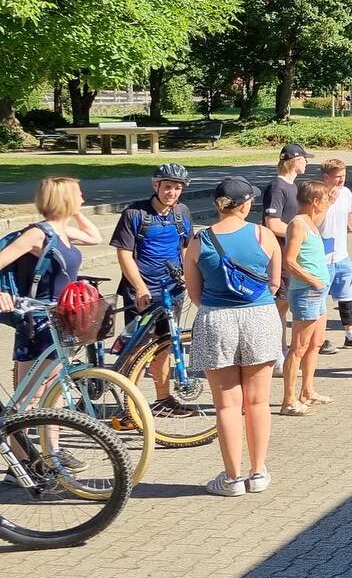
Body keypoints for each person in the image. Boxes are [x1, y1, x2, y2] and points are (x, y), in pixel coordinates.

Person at [181, 177, 283, 497]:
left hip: (216, 319)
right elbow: (275, 283)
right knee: (258, 401)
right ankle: (258, 472)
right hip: (260, 316)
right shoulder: (263, 235)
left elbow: (195, 293)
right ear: (245, 204)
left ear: (218, 205)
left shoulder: (199, 241)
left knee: (227, 405)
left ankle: (232, 477)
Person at [0, 177, 102, 398]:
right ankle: (12, 431)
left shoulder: (63, 232)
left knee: (55, 392)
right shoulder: (37, 234)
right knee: (30, 395)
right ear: (65, 199)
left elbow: (95, 237)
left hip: (62, 317)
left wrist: (75, 212)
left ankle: (49, 434)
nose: (83, 198)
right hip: (37, 320)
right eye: (78, 194)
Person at [110, 162, 195, 417]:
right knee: (136, 348)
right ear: (155, 185)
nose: (173, 192)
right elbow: (124, 253)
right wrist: (139, 287)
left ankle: (162, 398)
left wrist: (188, 278)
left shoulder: (182, 212)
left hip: (172, 291)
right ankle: (129, 406)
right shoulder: (135, 214)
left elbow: (185, 248)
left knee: (165, 345)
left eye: (177, 188)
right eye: (168, 186)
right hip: (142, 291)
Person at [280, 181, 332, 416]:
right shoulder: (298, 224)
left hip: (318, 292)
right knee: (298, 347)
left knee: (316, 343)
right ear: (314, 202)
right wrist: (313, 280)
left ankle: (307, 390)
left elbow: (322, 215)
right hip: (306, 292)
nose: (327, 203)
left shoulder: (311, 221)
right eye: (325, 200)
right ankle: (288, 400)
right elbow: (289, 260)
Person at [262, 142, 312, 375]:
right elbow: (272, 223)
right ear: (293, 161)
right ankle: (277, 355)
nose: (306, 163)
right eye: (303, 159)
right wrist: (298, 233)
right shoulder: (277, 187)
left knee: (284, 305)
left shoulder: (294, 186)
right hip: (280, 254)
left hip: (292, 252)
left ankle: (282, 352)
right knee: (279, 306)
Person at [316, 159, 352, 351]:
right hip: (322, 257)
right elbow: (311, 222)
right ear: (326, 177)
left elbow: (351, 218)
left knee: (347, 294)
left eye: (344, 175)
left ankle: (351, 334)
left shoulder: (346, 193)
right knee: (320, 298)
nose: (341, 180)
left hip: (342, 254)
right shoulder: (317, 194)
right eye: (337, 176)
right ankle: (320, 339)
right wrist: (328, 202)